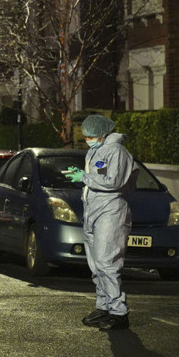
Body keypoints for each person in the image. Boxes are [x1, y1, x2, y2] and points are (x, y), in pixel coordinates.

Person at [66, 114, 138, 330]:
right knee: (96, 265)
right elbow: (100, 179)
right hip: (94, 211)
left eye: (90, 135)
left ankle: (118, 312)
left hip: (111, 211)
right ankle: (104, 306)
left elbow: (114, 182)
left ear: (102, 134)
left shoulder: (116, 151)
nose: (87, 138)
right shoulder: (95, 151)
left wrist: (84, 178)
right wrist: (82, 178)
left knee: (107, 263)